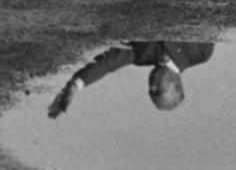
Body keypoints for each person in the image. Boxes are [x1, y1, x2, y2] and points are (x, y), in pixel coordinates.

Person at [46, 41, 216, 117]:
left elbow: (108, 64)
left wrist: (73, 87)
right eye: (158, 91)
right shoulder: (201, 53)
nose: (151, 87)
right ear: (177, 87)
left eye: (151, 92)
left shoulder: (141, 56)